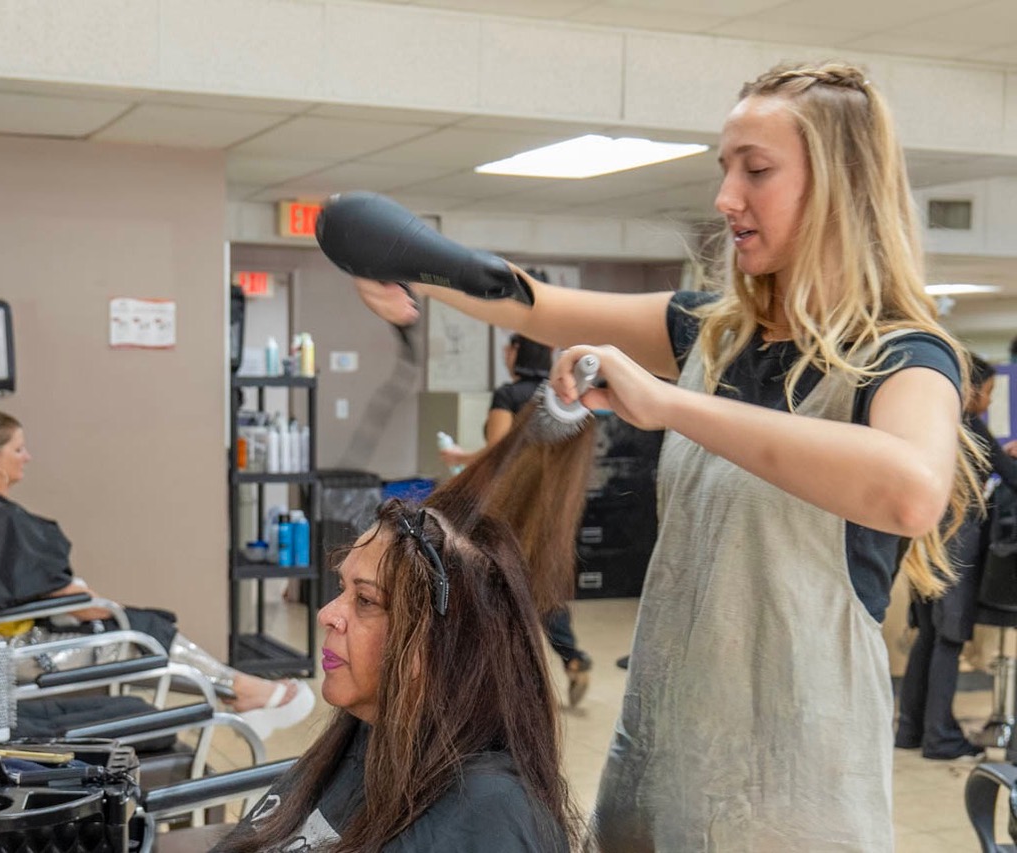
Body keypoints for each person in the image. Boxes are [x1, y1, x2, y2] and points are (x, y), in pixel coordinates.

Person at [351, 61, 986, 850]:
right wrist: (405, 259)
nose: (726, 197)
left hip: (792, 800)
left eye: (756, 170)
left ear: (840, 188)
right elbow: (535, 305)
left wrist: (671, 403)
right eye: (725, 168)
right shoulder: (712, 335)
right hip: (654, 770)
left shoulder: (905, 358)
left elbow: (910, 490)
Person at [0, 410, 315, 739]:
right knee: (141, 633)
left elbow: (7, 585)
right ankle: (242, 690)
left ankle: (237, 690)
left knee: (141, 624)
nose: (28, 457)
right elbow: (65, 597)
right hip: (21, 654)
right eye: (19, 449)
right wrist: (105, 608)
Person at [215, 496, 579, 852]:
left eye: (366, 600)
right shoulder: (366, 735)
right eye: (342, 589)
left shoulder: (489, 817)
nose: (326, 614)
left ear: (442, 643)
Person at [441, 333, 594, 707]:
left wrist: (458, 456)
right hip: (552, 507)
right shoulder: (565, 399)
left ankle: (493, 678)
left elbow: (497, 455)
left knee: (497, 585)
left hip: (510, 509)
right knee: (541, 582)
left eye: (508, 348)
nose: (505, 354)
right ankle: (572, 658)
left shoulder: (508, 396)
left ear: (516, 352)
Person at [897, 354, 1017, 759]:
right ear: (970, 390)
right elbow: (1012, 477)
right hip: (956, 543)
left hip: (924, 540)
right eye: (989, 392)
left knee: (928, 636)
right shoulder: (970, 426)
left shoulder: (934, 424)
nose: (989, 401)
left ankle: (910, 730)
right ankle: (940, 738)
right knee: (948, 639)